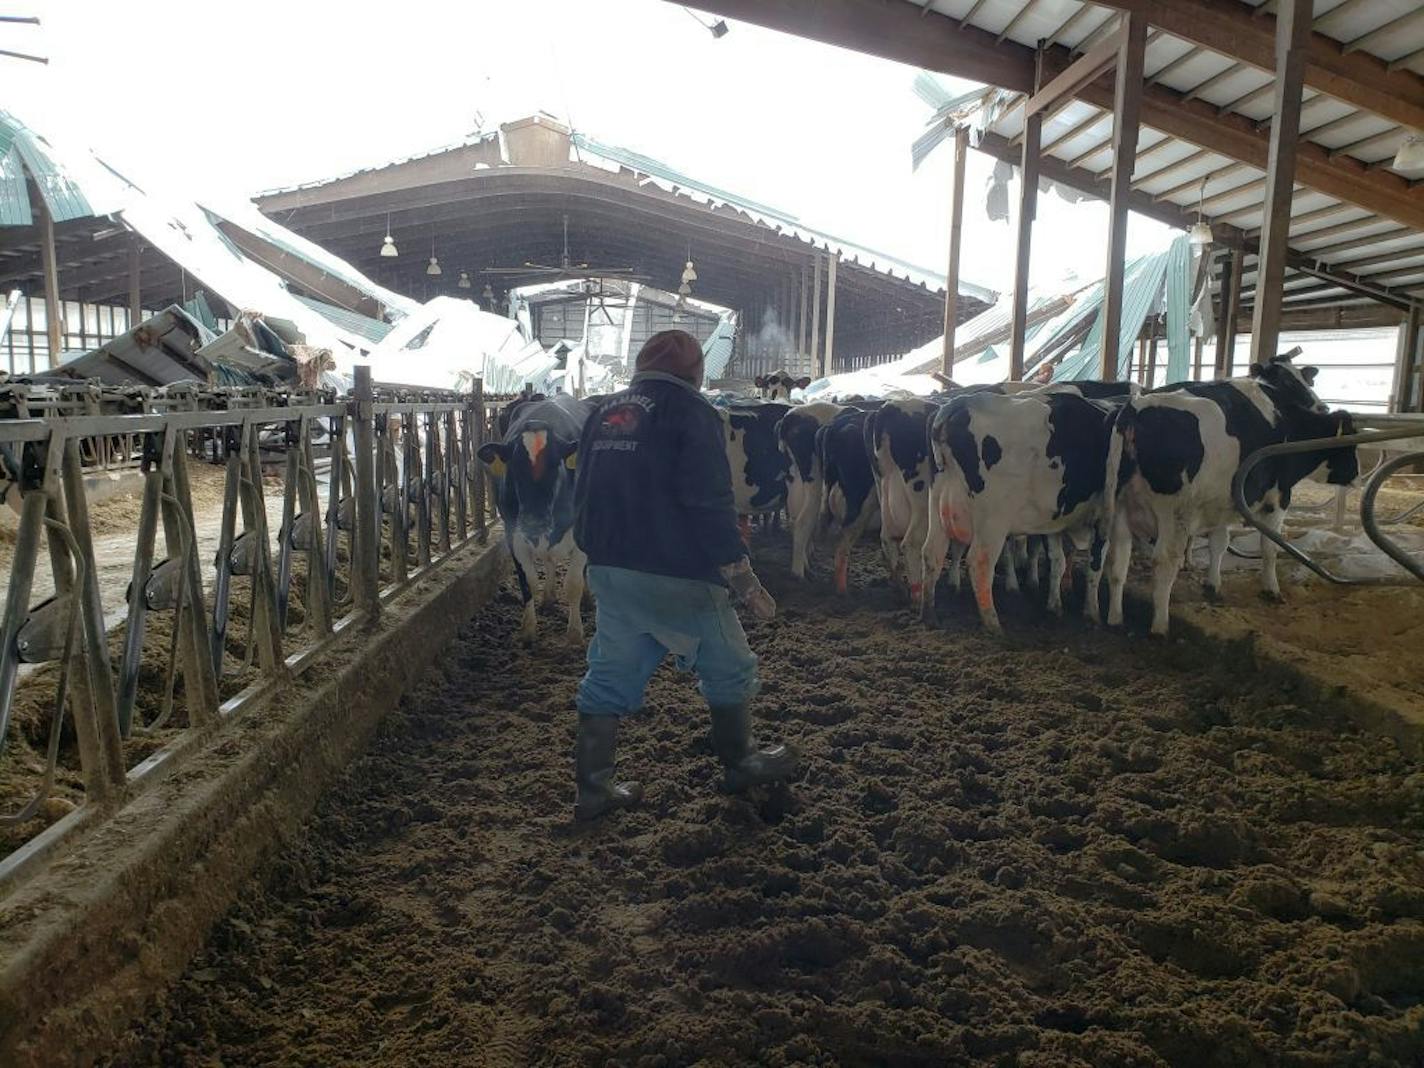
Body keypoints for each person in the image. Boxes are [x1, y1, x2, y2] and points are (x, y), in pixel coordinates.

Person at [570, 330, 800, 820]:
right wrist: (741, 575)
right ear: (696, 372)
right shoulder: (693, 412)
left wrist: (595, 550)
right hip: (677, 570)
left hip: (610, 567)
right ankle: (740, 761)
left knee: (609, 672)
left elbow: (581, 488)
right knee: (728, 663)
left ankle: (594, 787)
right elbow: (709, 501)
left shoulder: (602, 413)